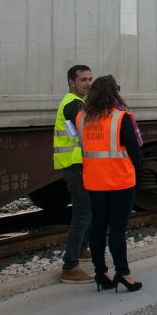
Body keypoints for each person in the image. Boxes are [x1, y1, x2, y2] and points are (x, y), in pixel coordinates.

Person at [78, 75, 143, 293]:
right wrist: (137, 170)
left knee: (97, 227)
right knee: (117, 228)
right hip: (119, 181)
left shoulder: (82, 118)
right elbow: (135, 151)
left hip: (93, 181)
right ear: (114, 93)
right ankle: (123, 274)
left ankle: (100, 273)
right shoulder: (121, 117)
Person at [55, 64, 94, 283]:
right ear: (72, 82)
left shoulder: (77, 103)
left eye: (90, 79)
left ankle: (81, 249)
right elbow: (89, 131)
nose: (88, 83)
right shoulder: (73, 105)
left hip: (78, 165)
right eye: (83, 80)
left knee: (87, 210)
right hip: (75, 166)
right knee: (82, 214)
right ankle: (70, 266)